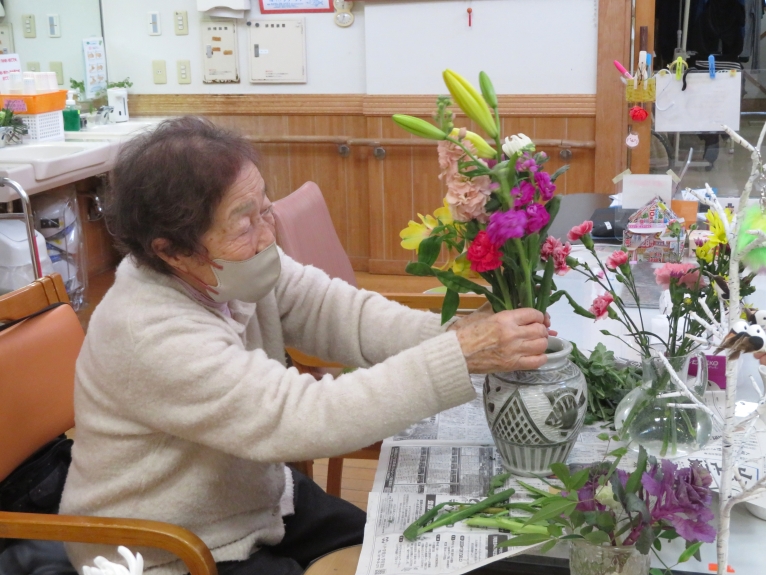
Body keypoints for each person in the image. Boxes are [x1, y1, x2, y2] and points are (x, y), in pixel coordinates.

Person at [59, 117, 552, 575]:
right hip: (165, 546)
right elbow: (304, 418)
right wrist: (459, 355)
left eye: (265, 210)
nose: (266, 236)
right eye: (244, 224)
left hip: (254, 502)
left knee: (401, 552)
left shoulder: (233, 271)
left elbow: (349, 317)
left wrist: (459, 336)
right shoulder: (150, 331)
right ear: (172, 251)